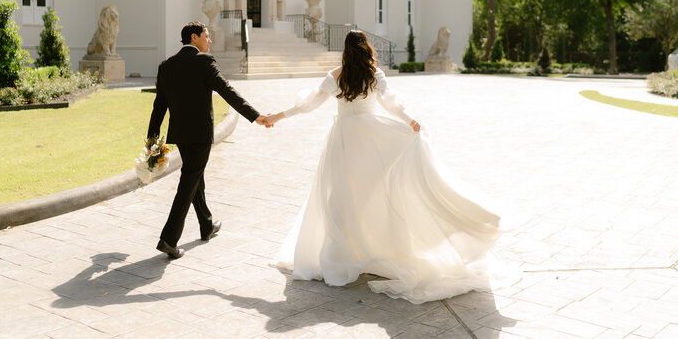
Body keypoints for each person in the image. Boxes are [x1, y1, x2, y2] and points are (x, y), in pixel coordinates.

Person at [266, 30, 512, 303]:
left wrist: (276, 116)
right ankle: (363, 249)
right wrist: (410, 120)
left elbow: (309, 104)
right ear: (366, 47)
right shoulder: (373, 73)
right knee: (371, 196)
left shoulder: (336, 75)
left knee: (341, 199)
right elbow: (388, 102)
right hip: (371, 138)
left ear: (345, 50)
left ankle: (341, 256)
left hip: (346, 141)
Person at [149, 21, 271, 259]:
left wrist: (152, 142)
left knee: (195, 177)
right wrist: (255, 116)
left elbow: (158, 108)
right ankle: (168, 239)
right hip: (200, 134)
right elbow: (226, 90)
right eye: (207, 36)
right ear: (194, 38)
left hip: (180, 136)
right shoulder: (204, 62)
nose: (210, 40)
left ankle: (206, 225)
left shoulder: (166, 66)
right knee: (189, 180)